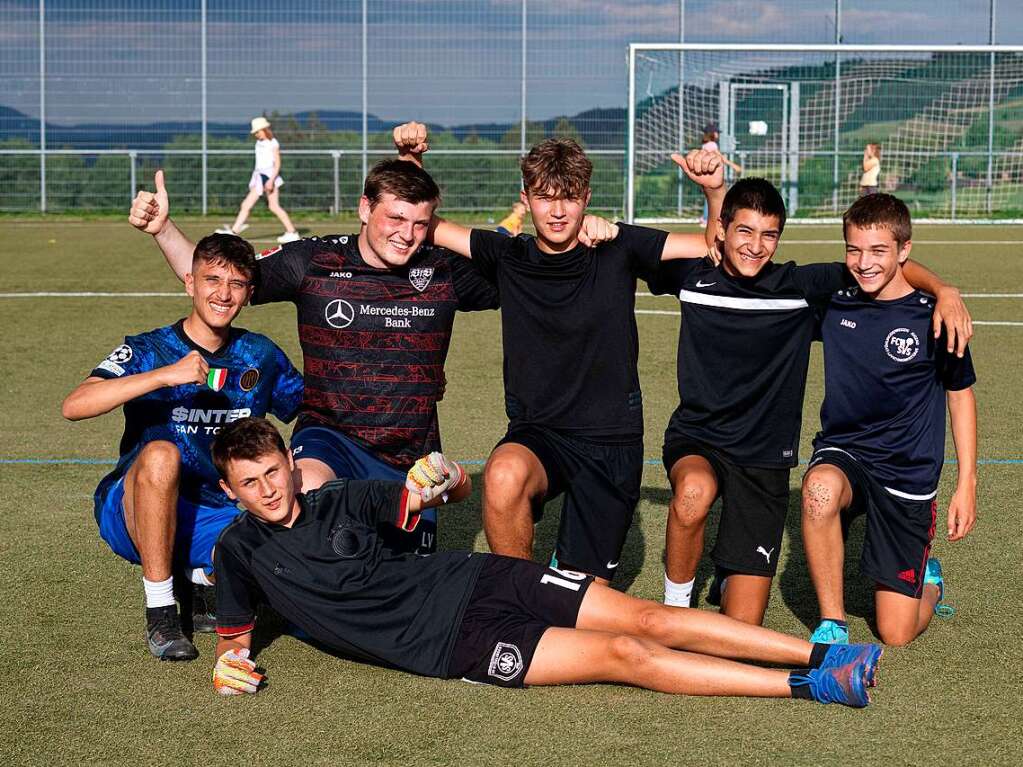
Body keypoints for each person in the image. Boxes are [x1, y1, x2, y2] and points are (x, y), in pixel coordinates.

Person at [208, 416, 880, 708]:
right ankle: (808, 686)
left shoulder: (343, 499)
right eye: (249, 483)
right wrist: (228, 665)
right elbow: (235, 643)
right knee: (625, 654)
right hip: (456, 644)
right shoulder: (238, 552)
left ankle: (817, 655)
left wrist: (441, 474)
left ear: (293, 466)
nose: (266, 490)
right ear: (228, 489)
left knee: (647, 615)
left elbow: (441, 489)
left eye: (272, 472)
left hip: (481, 577)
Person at [632, 178, 972, 627]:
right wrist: (598, 227)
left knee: (890, 631)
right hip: (723, 441)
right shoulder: (698, 275)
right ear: (722, 232)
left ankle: (921, 580)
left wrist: (945, 289)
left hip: (795, 461)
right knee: (700, 493)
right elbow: (629, 246)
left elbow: (878, 261)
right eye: (744, 232)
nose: (755, 246)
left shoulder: (801, 287)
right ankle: (684, 607)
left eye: (768, 235)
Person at [128, 152, 499, 556]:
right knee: (305, 498)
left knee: (395, 579)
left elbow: (528, 274)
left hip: (410, 454)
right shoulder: (315, 261)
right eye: (394, 218)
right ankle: (223, 575)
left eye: (419, 224)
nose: (406, 235)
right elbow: (220, 279)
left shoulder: (443, 271)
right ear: (364, 208)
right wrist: (163, 230)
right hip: (329, 437)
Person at [399, 121, 723, 584]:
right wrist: (412, 158)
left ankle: (568, 574)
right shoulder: (507, 255)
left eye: (568, 197)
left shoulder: (618, 247)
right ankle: (518, 596)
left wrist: (713, 191)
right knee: (503, 473)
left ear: (586, 197)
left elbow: (715, 246)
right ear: (526, 198)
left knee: (580, 601)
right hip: (539, 433)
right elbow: (421, 224)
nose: (557, 211)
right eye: (545, 197)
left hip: (610, 441)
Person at [62, 234, 304, 661]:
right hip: (134, 508)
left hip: (218, 511)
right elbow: (75, 405)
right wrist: (163, 376)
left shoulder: (260, 355)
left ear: (249, 294)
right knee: (161, 453)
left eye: (236, 284)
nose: (223, 294)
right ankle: (161, 610)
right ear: (189, 282)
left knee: (282, 574)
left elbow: (309, 408)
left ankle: (200, 576)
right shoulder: (150, 348)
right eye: (213, 280)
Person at [802, 193, 976, 647]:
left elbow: (960, 396)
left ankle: (929, 582)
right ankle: (833, 622)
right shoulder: (834, 300)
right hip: (847, 453)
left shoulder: (935, 317)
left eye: (878, 251)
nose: (864, 263)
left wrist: (967, 482)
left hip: (907, 471)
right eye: (854, 250)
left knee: (895, 633)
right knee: (818, 490)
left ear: (904, 250)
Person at [216, 117, 300, 244]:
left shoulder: (273, 143)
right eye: (255, 132)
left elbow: (277, 164)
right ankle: (234, 232)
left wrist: (271, 180)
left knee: (274, 206)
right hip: (259, 178)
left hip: (270, 177)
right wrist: (254, 181)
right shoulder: (258, 143)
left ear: (264, 129)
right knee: (246, 205)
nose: (256, 134)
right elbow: (258, 165)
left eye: (258, 131)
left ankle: (292, 232)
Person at [699, 124, 742, 225]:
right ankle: (706, 218)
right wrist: (734, 166)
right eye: (716, 132)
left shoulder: (705, 145)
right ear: (712, 134)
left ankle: (705, 217)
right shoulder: (712, 145)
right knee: (714, 196)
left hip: (707, 173)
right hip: (712, 174)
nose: (718, 134)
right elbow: (721, 158)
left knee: (710, 196)